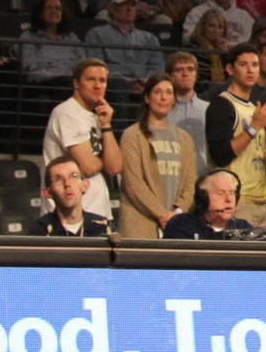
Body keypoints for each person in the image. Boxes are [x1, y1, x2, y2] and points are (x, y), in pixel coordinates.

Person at [116, 74, 201, 239]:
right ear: (147, 98)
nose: (163, 97)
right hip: (140, 222)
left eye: (169, 93)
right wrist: (163, 215)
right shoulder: (132, 135)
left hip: (176, 223)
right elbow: (133, 184)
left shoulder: (184, 138)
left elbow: (191, 183)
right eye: (157, 92)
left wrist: (177, 212)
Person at [206, 45, 266, 228]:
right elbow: (220, 155)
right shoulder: (222, 105)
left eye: (255, 65)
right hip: (236, 201)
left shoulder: (255, 109)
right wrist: (254, 127)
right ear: (230, 69)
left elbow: (249, 154)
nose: (250, 70)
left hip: (260, 200)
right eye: (243, 64)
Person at [41, 59, 124, 222]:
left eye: (102, 80)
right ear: (76, 83)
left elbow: (115, 167)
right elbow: (88, 167)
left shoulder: (98, 117)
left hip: (97, 212)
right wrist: (105, 158)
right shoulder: (67, 113)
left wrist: (106, 125)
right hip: (66, 217)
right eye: (90, 79)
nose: (98, 86)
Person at [161, 169, 254, 240]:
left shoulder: (243, 228)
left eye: (232, 193)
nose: (229, 199)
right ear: (203, 198)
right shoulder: (181, 225)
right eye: (220, 193)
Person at [37, 153, 109, 237]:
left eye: (74, 176)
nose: (67, 184)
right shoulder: (39, 230)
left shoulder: (104, 227)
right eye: (58, 179)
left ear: (85, 185)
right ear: (47, 193)